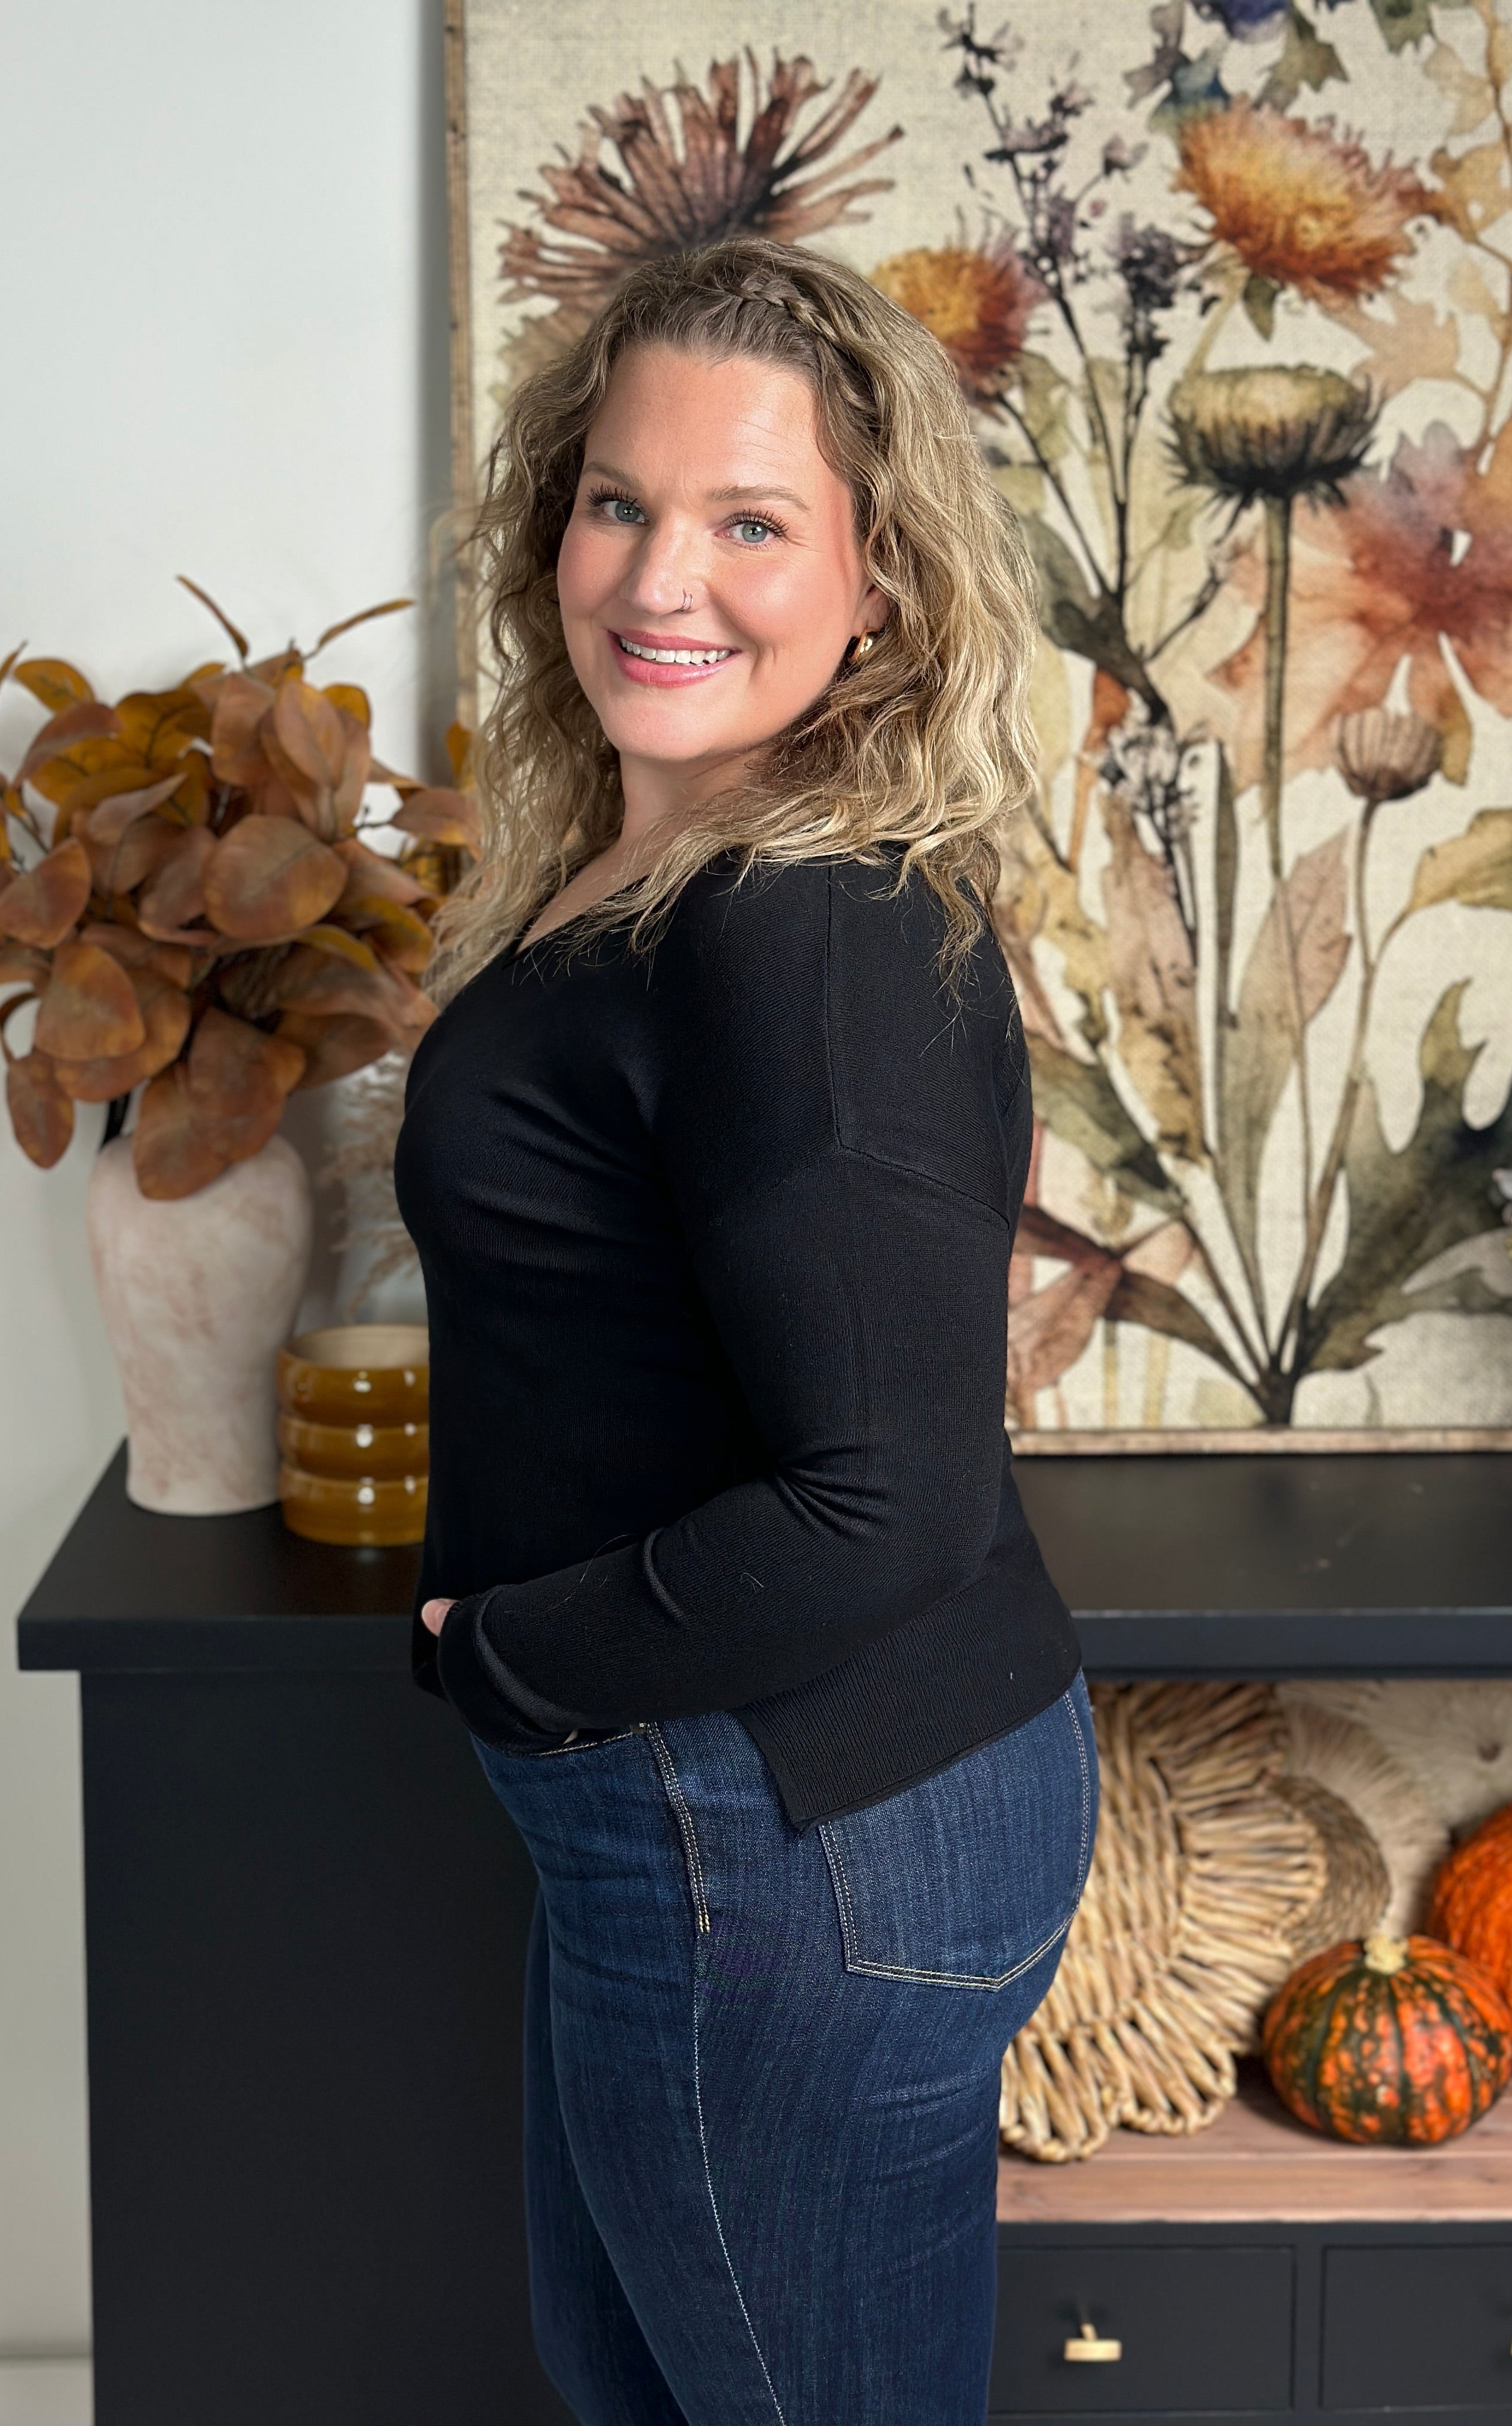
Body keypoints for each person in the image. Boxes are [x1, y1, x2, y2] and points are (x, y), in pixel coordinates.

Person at [393, 235, 1096, 2426]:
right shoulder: (679, 860)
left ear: (879, 583)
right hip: (757, 1820)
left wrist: (507, 1660)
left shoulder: (805, 927)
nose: (658, 576)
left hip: (786, 1838)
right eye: (620, 501)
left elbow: (888, 1503)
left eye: (752, 521)